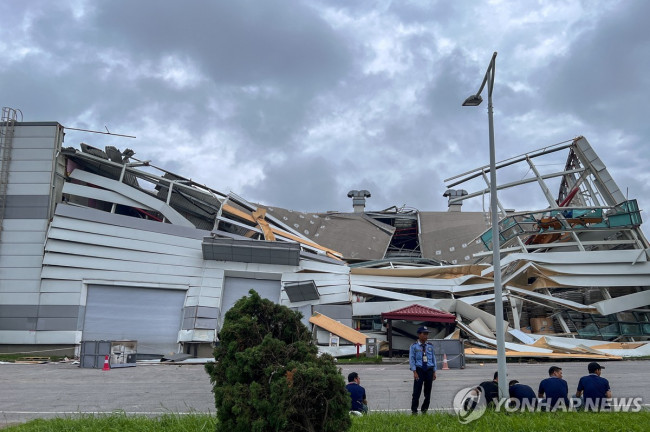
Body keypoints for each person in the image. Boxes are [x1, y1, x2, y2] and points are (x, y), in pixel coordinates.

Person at [409, 326, 437, 414]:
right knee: (416, 391)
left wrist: (434, 371)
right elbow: (412, 359)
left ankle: (424, 410)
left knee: (428, 392)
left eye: (427, 334)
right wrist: (414, 372)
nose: (426, 336)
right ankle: (414, 410)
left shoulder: (430, 346)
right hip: (419, 370)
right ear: (419, 335)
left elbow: (433, 358)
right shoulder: (414, 346)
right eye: (424, 334)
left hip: (429, 370)